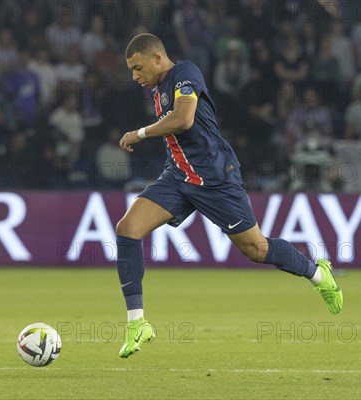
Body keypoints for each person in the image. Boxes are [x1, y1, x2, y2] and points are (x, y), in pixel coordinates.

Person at [116, 33, 343, 359]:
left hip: (215, 178)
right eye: (131, 71)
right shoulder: (157, 88)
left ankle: (319, 274)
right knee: (128, 229)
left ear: (156, 58)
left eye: (138, 68)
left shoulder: (185, 73)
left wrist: (139, 133)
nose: (135, 76)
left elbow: (184, 119)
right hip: (178, 176)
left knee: (256, 249)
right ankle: (137, 323)